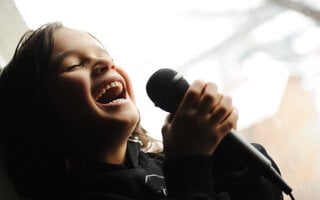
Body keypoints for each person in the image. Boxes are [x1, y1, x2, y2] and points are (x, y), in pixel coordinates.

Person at [0, 22, 284, 200]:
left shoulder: (162, 163)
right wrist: (189, 162)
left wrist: (223, 150)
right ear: (38, 114)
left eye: (106, 58)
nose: (104, 65)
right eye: (74, 65)